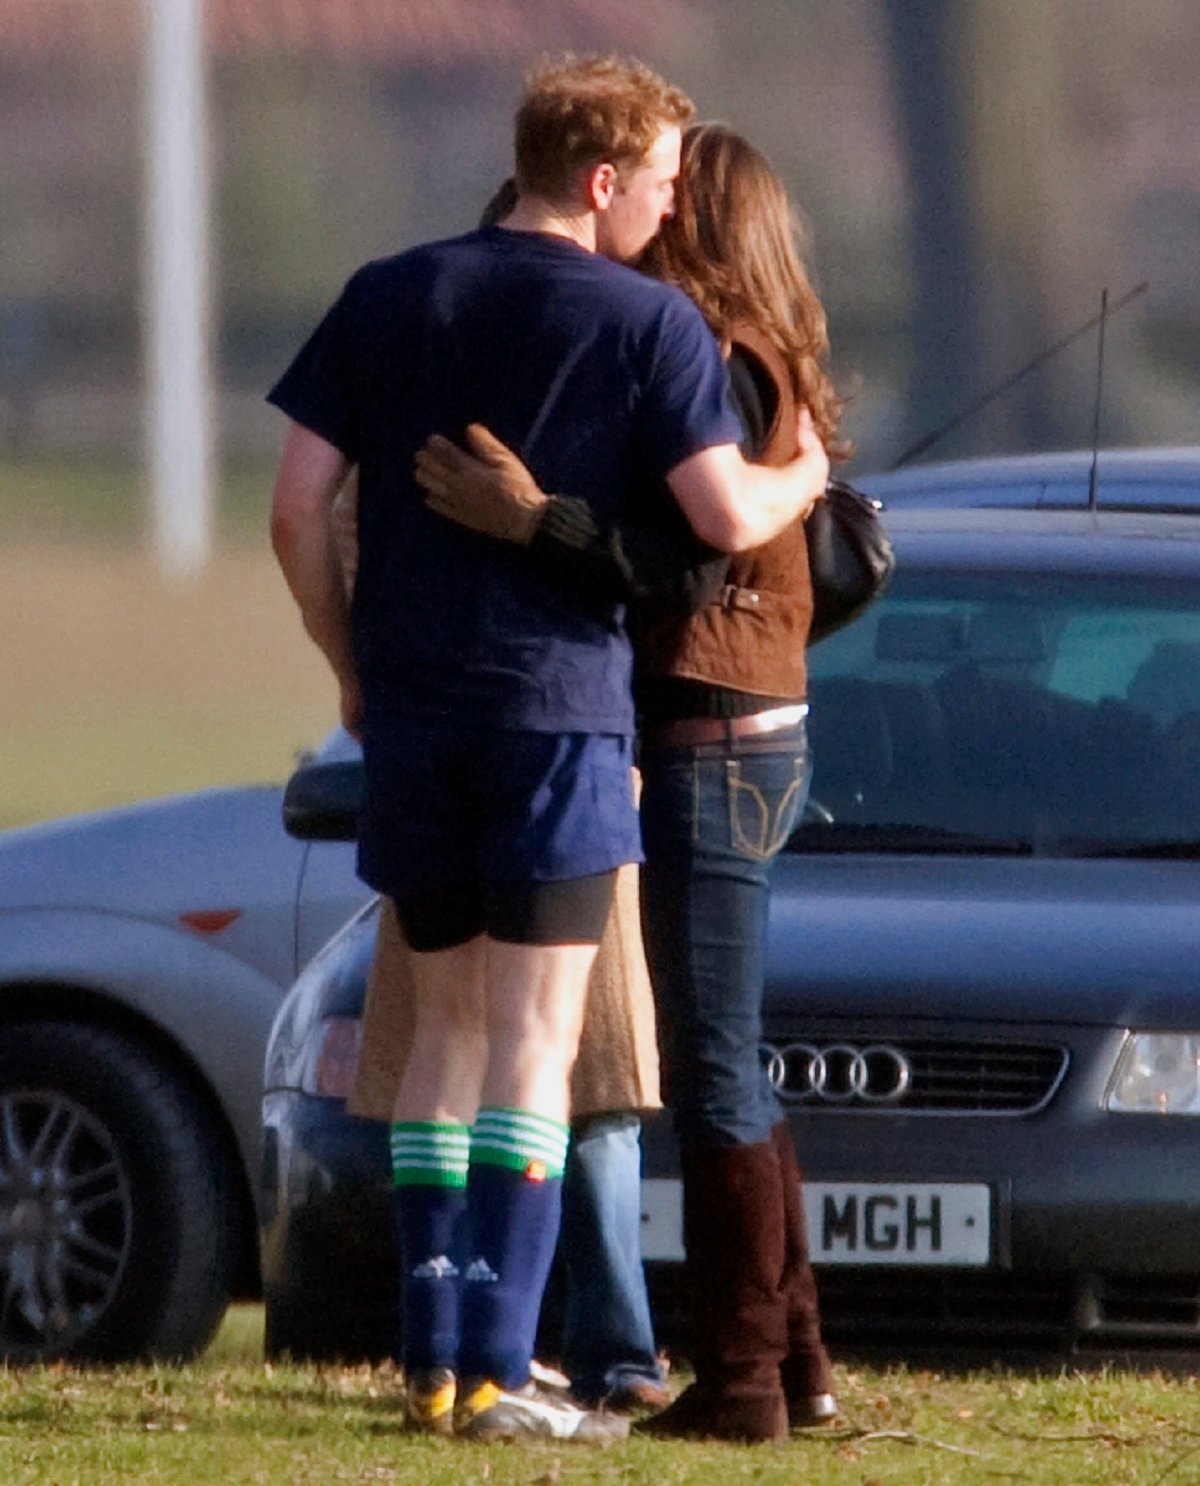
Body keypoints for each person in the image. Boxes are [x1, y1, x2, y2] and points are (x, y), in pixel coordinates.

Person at [268, 53, 829, 1447]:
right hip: (558, 724)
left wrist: (349, 666)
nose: (664, 204)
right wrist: (805, 475)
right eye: (654, 180)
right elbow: (714, 514)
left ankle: (438, 1356)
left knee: (438, 1047)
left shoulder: (388, 291)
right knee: (531, 1048)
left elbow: (294, 507)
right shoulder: (646, 324)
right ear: (599, 180)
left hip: (411, 719)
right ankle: (509, 1368)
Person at [412, 121, 846, 1443]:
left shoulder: (709, 363)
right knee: (736, 1055)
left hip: (711, 735)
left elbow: (677, 562)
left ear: (694, 223)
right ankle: (800, 1357)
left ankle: (744, 1380)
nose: (640, 217)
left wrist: (528, 517)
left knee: (712, 1063)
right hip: (751, 730)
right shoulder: (759, 363)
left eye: (666, 199)